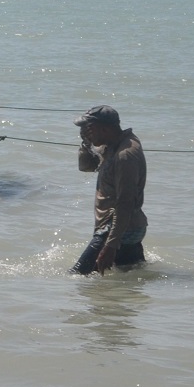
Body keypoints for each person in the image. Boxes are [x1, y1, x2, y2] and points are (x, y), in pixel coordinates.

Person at [71, 104, 147, 275]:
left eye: (88, 128)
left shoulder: (125, 155)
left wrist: (111, 244)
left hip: (115, 228)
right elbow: (86, 167)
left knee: (77, 276)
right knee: (130, 278)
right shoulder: (111, 145)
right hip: (127, 227)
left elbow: (126, 201)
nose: (84, 131)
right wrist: (86, 143)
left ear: (104, 129)